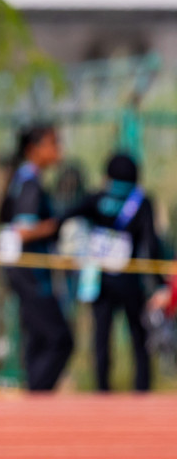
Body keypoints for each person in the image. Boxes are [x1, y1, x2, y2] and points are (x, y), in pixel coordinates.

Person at [69, 154, 159, 392]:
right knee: (139, 338)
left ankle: (102, 391)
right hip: (130, 281)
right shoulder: (141, 202)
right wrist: (158, 283)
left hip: (100, 280)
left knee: (101, 338)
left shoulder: (97, 198)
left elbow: (66, 215)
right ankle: (142, 390)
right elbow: (151, 245)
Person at [0, 123, 74, 393]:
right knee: (60, 339)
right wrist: (58, 224)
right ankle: (36, 397)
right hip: (31, 275)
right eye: (53, 143)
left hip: (25, 272)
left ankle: (34, 397)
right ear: (34, 149)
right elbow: (24, 229)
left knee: (38, 338)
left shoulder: (22, 178)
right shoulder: (29, 182)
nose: (58, 150)